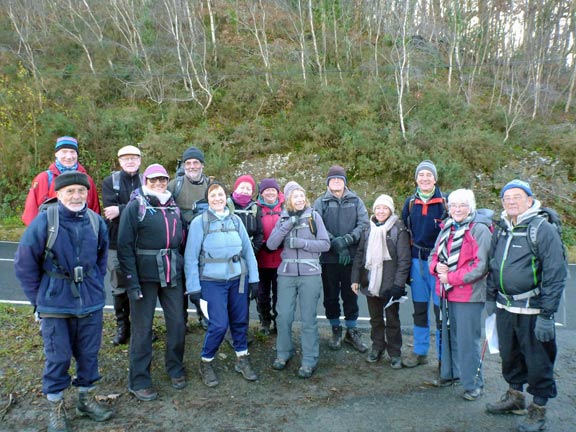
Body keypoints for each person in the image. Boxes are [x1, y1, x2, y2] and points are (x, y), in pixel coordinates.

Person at [14, 171, 113, 432]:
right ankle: (56, 408)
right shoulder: (45, 221)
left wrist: (92, 286)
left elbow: (102, 259)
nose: (76, 196)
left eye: (81, 191)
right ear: (58, 194)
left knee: (89, 355)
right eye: (70, 191)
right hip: (55, 304)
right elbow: (25, 264)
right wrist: (40, 300)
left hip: (90, 302)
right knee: (57, 357)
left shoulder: (95, 221)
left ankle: (85, 400)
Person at [485, 180, 567, 432]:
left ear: (529, 200)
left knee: (539, 361)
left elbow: (555, 274)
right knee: (510, 356)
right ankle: (515, 398)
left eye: (517, 196)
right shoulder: (502, 228)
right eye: (506, 197)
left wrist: (546, 315)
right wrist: (491, 297)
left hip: (533, 309)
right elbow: (493, 263)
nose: (510, 201)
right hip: (505, 306)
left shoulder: (542, 229)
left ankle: (538, 410)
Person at [117, 164, 186, 401]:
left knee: (177, 323)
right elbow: (124, 246)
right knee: (142, 329)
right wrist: (131, 282)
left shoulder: (173, 206)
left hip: (172, 273)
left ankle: (175, 368)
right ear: (145, 181)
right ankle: (139, 380)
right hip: (144, 276)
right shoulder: (135, 206)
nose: (158, 184)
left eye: (163, 180)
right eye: (153, 180)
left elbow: (181, 242)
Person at [184, 181, 260, 387]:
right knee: (218, 325)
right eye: (212, 195)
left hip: (238, 280)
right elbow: (190, 257)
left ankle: (242, 358)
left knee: (240, 321)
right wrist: (194, 288)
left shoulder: (236, 220)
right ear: (207, 199)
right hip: (211, 282)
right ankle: (206, 361)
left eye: (220, 195)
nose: (217, 199)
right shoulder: (200, 222)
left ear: (226, 198)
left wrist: (254, 279)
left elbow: (248, 252)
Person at [428, 189, 492, 399]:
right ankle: (452, 374)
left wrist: (451, 278)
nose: (457, 209)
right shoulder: (447, 226)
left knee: (467, 340)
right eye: (453, 205)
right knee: (449, 336)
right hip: (446, 292)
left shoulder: (479, 230)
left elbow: (481, 266)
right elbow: (434, 255)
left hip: (468, 294)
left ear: (470, 207)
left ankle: (473, 383)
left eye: (462, 205)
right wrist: (436, 268)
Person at [268, 181, 330, 378]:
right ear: (288, 199)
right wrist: (288, 225)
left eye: (302, 195)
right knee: (283, 316)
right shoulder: (282, 218)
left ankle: (309, 360)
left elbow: (325, 244)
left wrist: (301, 243)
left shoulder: (314, 216)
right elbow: (271, 244)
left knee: (308, 319)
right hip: (286, 274)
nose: (300, 199)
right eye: (295, 196)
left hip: (310, 274)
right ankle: (283, 354)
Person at [351, 194, 411, 369]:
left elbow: (404, 260)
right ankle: (377, 347)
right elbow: (360, 255)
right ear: (373, 210)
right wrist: (355, 278)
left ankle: (395, 353)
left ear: (391, 210)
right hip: (370, 282)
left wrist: (398, 285)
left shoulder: (398, 229)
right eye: (378, 208)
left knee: (392, 320)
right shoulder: (367, 229)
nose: (381, 211)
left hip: (390, 285)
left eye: (385, 208)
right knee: (375, 319)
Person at [313, 165, 369, 352]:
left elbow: (363, 224)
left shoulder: (356, 201)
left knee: (350, 296)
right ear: (328, 182)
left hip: (351, 259)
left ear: (345, 182)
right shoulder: (321, 202)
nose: (336, 182)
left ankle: (351, 332)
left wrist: (347, 240)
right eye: (333, 179)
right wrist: (334, 243)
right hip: (328, 258)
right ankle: (335, 329)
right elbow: (316, 226)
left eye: (340, 179)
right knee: (330, 297)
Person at [401, 160, 447, 368]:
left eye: (429, 175)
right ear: (416, 179)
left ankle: (442, 357)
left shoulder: (446, 203)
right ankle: (420, 351)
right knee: (419, 309)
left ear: (435, 179)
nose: (425, 178)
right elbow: (404, 230)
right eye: (421, 175)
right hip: (417, 262)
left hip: (438, 265)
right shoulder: (410, 203)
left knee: (440, 312)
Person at [101, 145, 142, 346]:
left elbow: (149, 209)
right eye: (125, 158)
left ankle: (141, 327)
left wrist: (122, 209)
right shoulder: (110, 182)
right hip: (115, 243)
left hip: (141, 243)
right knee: (119, 286)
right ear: (119, 161)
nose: (130, 161)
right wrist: (135, 208)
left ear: (140, 160)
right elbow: (110, 213)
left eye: (134, 158)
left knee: (139, 285)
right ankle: (122, 326)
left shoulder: (148, 181)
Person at [167, 146, 210, 330]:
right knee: (179, 283)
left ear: (202, 165)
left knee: (204, 280)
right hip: (179, 242)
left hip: (204, 244)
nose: (192, 166)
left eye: (195, 162)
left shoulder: (211, 186)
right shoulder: (173, 185)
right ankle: (181, 321)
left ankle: (204, 316)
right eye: (188, 163)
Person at [22, 136, 100, 226]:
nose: (69, 156)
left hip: (81, 234)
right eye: (64, 152)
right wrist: (39, 234)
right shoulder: (43, 178)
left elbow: (95, 211)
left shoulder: (87, 179)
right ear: (56, 154)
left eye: (72, 152)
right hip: (52, 234)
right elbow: (31, 212)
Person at [255, 178, 284, 335]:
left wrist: (281, 242)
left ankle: (278, 322)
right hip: (261, 259)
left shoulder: (286, 208)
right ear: (261, 193)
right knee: (262, 294)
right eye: (267, 190)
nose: (270, 192)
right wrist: (263, 244)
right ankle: (265, 320)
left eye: (273, 190)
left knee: (280, 295)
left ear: (278, 192)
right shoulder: (255, 209)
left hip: (281, 260)